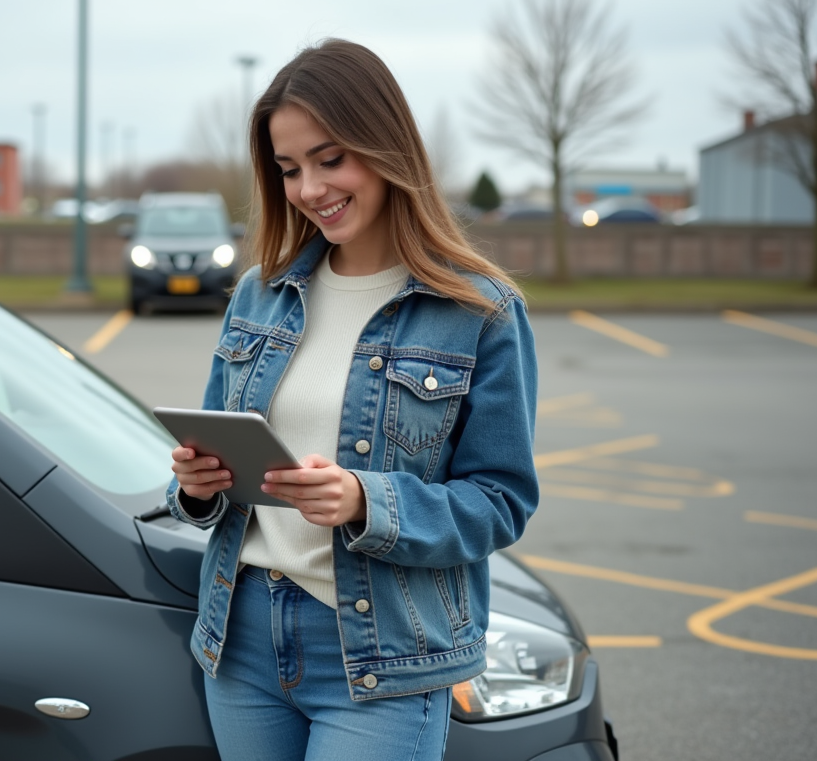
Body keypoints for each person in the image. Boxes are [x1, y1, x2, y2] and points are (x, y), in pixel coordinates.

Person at [166, 38, 539, 761]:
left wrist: (369, 501)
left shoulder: (480, 312)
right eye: (289, 169)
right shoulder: (259, 295)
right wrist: (197, 485)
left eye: (330, 158)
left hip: (382, 660)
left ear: (387, 146)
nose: (309, 188)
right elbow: (216, 464)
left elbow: (501, 502)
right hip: (241, 638)